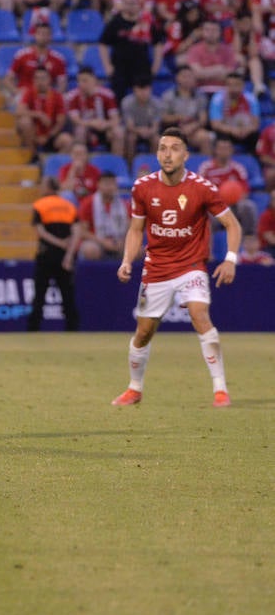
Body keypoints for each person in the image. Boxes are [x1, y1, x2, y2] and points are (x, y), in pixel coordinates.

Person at [113, 127, 242, 408]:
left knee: (199, 313)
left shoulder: (202, 188)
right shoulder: (142, 187)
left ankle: (220, 389)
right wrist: (126, 260)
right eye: (162, 148)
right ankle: (134, 389)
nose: (167, 154)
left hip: (191, 264)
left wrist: (230, 259)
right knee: (144, 332)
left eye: (174, 148)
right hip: (156, 268)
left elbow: (232, 224)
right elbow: (136, 230)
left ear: (186, 154)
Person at [27, 176, 82, 331]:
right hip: (65, 256)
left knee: (39, 295)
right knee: (67, 295)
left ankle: (33, 329)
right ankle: (72, 329)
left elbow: (41, 232)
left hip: (45, 255)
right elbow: (77, 232)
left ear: (48, 188)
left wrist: (58, 243)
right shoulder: (69, 206)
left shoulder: (39, 205)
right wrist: (69, 255)